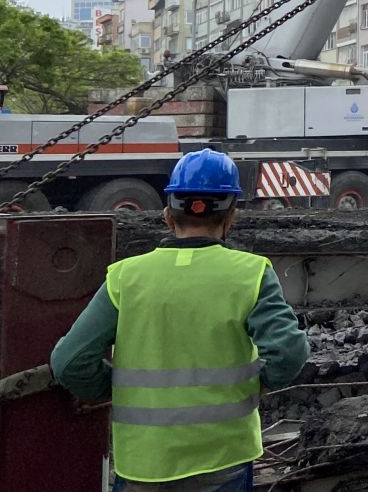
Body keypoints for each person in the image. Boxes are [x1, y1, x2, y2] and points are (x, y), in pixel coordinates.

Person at [51, 149, 310, 492]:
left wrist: (114, 387)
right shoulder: (251, 274)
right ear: (231, 215)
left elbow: (69, 362)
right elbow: (289, 353)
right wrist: (258, 383)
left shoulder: (126, 277)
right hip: (223, 456)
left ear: (168, 216)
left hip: (144, 461)